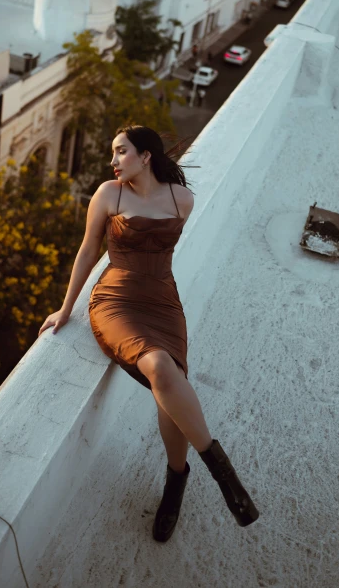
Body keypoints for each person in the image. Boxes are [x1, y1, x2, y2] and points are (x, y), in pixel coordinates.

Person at [39, 125, 259, 542]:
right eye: (113, 154)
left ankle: (176, 481)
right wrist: (66, 309)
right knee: (159, 364)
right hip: (116, 300)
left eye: (121, 151)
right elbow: (88, 251)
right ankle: (224, 476)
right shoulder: (109, 194)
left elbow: (162, 254)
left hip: (162, 299)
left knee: (169, 380)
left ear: (146, 156)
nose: (114, 160)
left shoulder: (183, 199)